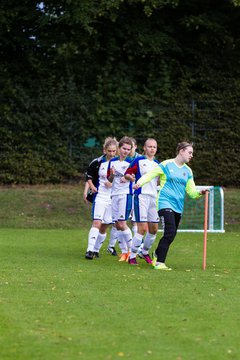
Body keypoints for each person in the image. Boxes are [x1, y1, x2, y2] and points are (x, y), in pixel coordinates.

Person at [134, 141, 206, 270]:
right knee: (170, 231)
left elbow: (191, 192)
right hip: (164, 202)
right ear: (181, 151)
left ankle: (156, 253)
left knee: (171, 235)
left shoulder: (188, 171)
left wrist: (200, 193)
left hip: (178, 206)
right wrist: (139, 183)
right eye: (189, 152)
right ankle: (159, 262)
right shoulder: (166, 165)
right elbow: (150, 175)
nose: (191, 155)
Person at [125, 138, 160, 265]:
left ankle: (144, 252)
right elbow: (127, 174)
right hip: (141, 196)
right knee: (142, 228)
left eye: (154, 147)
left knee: (154, 229)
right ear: (144, 148)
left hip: (153, 198)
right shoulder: (138, 161)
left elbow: (159, 180)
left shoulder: (157, 164)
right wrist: (130, 177)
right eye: (149, 146)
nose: (152, 149)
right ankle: (132, 256)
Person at [85, 137, 118, 260]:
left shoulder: (120, 163)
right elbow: (88, 176)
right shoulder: (97, 162)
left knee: (104, 226)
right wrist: (92, 187)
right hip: (100, 196)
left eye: (114, 151)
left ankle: (96, 249)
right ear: (105, 150)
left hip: (112, 198)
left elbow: (123, 180)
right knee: (97, 222)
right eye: (109, 151)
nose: (111, 153)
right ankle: (89, 250)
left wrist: (113, 183)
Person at [107, 136, 133, 262]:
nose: (126, 151)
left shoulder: (131, 162)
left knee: (122, 223)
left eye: (128, 149)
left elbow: (134, 178)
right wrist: (112, 174)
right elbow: (110, 179)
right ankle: (124, 253)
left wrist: (127, 177)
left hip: (125, 195)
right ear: (119, 148)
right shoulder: (112, 162)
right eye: (124, 148)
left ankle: (133, 251)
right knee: (117, 225)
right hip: (114, 195)